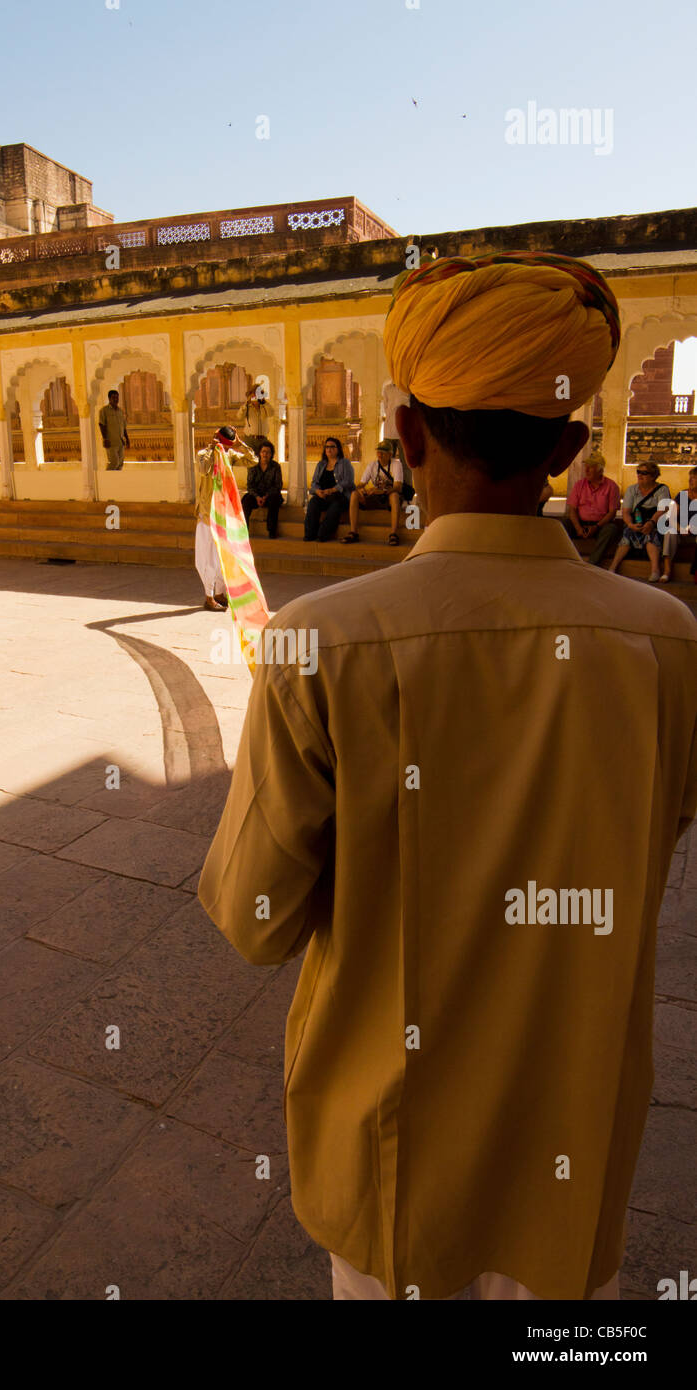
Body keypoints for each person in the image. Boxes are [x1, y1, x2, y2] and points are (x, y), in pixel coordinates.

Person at [198, 249, 697, 1302]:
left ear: (407, 433)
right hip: (570, 1149)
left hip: (390, 1158)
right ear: (567, 447)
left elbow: (252, 915)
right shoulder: (664, 642)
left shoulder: (318, 642)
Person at [195, 425, 255, 611]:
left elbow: (252, 459)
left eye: (229, 446)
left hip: (225, 514)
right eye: (226, 445)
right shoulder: (204, 454)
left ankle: (220, 592)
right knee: (210, 558)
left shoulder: (229, 454)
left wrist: (240, 444)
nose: (227, 449)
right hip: (207, 514)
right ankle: (209, 596)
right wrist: (212, 449)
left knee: (224, 556)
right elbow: (204, 469)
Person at [608, 461, 671, 582]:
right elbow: (626, 511)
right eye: (638, 472)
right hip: (637, 521)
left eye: (644, 473)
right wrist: (630, 524)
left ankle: (655, 570)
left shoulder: (662, 489)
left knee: (651, 535)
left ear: (653, 476)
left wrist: (652, 522)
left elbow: (662, 509)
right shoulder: (632, 489)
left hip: (655, 522)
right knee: (627, 535)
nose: (640, 475)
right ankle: (613, 567)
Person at [342, 440, 404, 546]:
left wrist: (380, 491)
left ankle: (393, 533)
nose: (380, 455)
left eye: (383, 452)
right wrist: (361, 490)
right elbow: (361, 484)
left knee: (394, 496)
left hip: (387, 497)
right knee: (354, 494)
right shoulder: (372, 465)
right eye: (378, 452)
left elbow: (398, 487)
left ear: (390, 454)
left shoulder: (396, 464)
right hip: (375, 497)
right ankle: (353, 532)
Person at [563, 451, 621, 564]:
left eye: (591, 467)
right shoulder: (579, 485)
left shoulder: (612, 486)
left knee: (611, 530)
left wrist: (596, 527)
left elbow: (612, 512)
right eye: (586, 467)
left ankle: (592, 563)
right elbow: (572, 510)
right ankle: (563, 559)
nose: (586, 470)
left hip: (600, 524)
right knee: (562, 525)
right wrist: (578, 528)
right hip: (581, 522)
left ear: (600, 470)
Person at [304, 437, 355, 542]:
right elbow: (314, 483)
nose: (329, 449)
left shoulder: (345, 463)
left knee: (335, 505)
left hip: (340, 496)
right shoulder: (321, 464)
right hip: (324, 495)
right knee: (313, 502)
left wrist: (332, 490)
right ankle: (310, 534)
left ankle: (323, 534)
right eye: (327, 447)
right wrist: (318, 491)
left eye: (332, 447)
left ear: (338, 449)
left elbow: (348, 481)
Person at [660, 465, 697, 583]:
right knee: (670, 531)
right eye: (690, 477)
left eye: (694, 478)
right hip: (681, 532)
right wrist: (680, 529)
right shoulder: (683, 495)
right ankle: (667, 571)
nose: (690, 480)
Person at [241, 439, 284, 539]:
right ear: (259, 453)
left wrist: (266, 496)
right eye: (263, 452)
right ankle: (243, 531)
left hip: (270, 495)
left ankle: (271, 530)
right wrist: (257, 497)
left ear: (271, 454)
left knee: (275, 500)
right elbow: (250, 485)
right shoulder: (253, 465)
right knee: (246, 501)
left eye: (268, 452)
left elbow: (278, 485)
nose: (265, 454)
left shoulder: (275, 466)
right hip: (256, 495)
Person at [237, 384, 274, 457]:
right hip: (250, 440)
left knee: (263, 463)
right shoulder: (247, 407)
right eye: (254, 396)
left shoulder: (264, 407)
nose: (256, 398)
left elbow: (271, 413)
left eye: (258, 396)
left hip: (263, 439)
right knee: (251, 464)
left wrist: (264, 402)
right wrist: (246, 404)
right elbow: (239, 416)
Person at [98, 389, 130, 470]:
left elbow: (124, 427)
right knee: (114, 462)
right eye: (113, 397)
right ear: (109, 398)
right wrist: (105, 439)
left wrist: (127, 439)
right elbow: (102, 424)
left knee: (120, 463)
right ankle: (107, 479)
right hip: (111, 442)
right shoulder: (104, 411)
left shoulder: (120, 411)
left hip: (120, 442)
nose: (116, 399)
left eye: (117, 397)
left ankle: (117, 481)